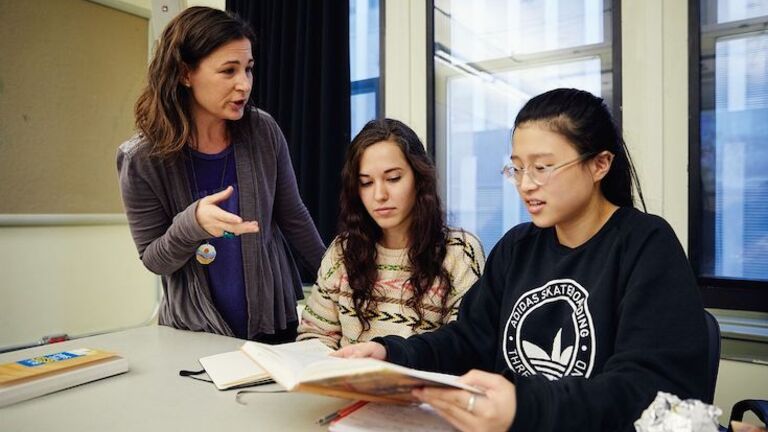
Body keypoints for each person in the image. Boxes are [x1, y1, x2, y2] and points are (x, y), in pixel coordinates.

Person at [336, 89, 709, 431]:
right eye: (517, 167)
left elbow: (645, 389)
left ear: (599, 164)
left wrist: (524, 407)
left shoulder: (644, 244)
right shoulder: (518, 247)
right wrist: (392, 352)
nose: (525, 184)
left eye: (542, 167)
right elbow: (469, 340)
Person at [117, 7, 324, 343]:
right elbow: (155, 259)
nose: (244, 84)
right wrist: (193, 222)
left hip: (273, 325)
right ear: (186, 73)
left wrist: (339, 282)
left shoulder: (263, 131)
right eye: (229, 71)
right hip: (193, 335)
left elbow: (294, 216)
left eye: (248, 69)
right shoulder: (140, 159)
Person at [297, 119, 485, 349]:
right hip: (345, 382)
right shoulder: (343, 251)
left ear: (419, 178)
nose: (379, 195)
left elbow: (466, 346)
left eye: (393, 178)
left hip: (423, 383)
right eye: (366, 183)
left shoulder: (458, 251)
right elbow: (313, 336)